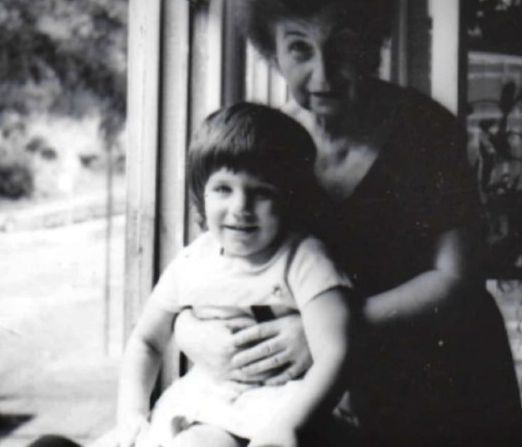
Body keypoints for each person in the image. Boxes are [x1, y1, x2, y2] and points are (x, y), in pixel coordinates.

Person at [176, 0, 522, 446]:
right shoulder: (267, 142)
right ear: (271, 50)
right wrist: (191, 332)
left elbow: (458, 278)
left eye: (343, 46)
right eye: (300, 49)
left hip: (442, 375)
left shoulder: (426, 130)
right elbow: (215, 264)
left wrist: (329, 330)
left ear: (373, 41)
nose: (323, 74)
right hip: (327, 382)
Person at [116, 103, 354, 447]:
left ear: (288, 198)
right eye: (223, 189)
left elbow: (336, 353)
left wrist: (286, 426)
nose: (240, 207)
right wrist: (132, 413)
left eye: (261, 192)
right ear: (202, 194)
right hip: (207, 402)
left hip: (283, 408)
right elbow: (146, 341)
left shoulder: (303, 259)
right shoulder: (193, 260)